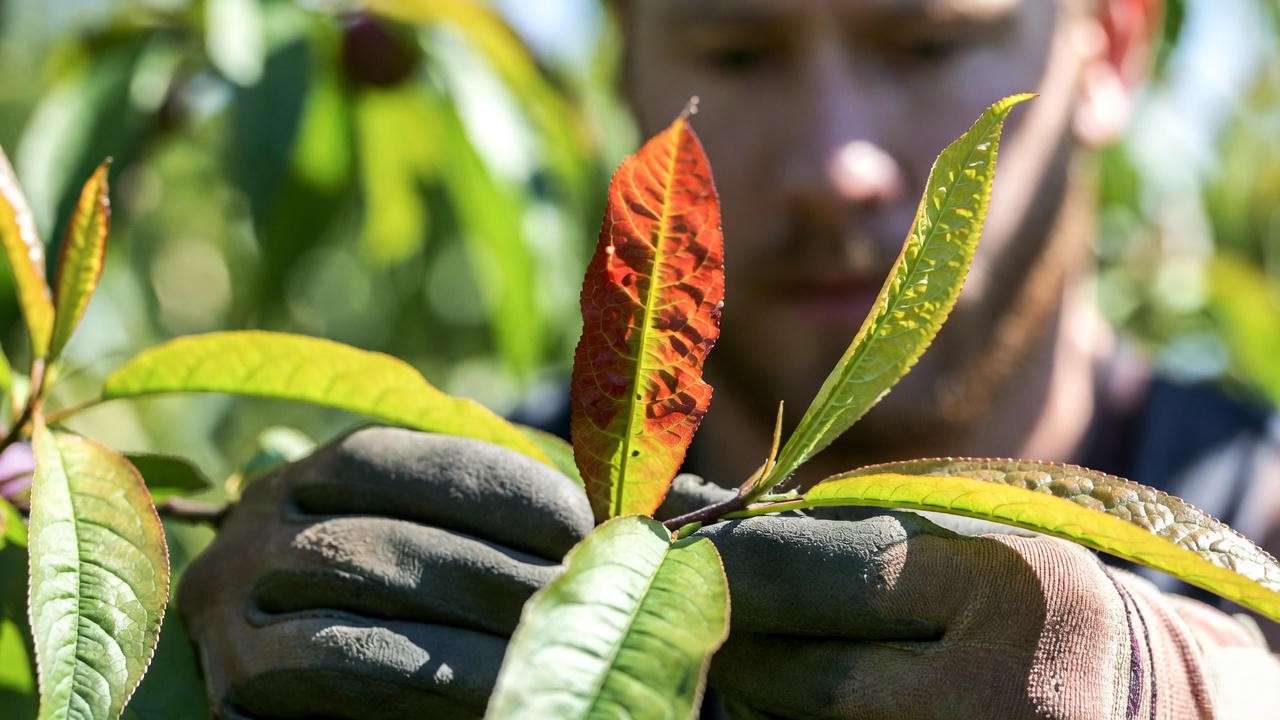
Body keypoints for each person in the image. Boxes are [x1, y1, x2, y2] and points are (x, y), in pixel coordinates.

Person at [179, 0, 1280, 718]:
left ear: (1112, 45)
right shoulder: (459, 546)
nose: (830, 162)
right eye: (736, 51)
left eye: (928, 43)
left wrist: (1187, 688)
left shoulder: (1255, 516)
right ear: (625, 66)